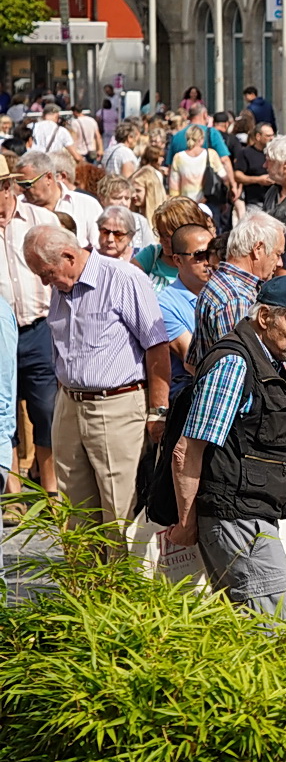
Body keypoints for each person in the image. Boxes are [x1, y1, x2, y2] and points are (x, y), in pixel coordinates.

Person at [167, 277, 286, 617]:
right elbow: (188, 449)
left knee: (256, 624)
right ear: (266, 316)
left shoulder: (272, 360)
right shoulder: (234, 363)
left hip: (253, 515)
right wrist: (186, 521)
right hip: (235, 517)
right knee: (270, 625)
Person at [24, 223, 169, 535]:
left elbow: (157, 346)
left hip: (116, 404)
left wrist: (158, 410)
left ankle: (124, 584)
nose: (44, 281)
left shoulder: (123, 278)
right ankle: (81, 584)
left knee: (120, 511)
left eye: (47, 273)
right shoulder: (61, 288)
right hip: (69, 403)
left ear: (68, 256)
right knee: (74, 512)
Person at [0, 155, 62, 493]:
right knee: (3, 409)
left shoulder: (40, 219)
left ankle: (50, 488)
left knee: (46, 409)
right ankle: (13, 491)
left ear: (7, 188)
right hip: (0, 332)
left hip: (39, 327)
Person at [189, 214, 286, 368]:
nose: (280, 263)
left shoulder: (226, 286)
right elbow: (242, 367)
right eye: (277, 254)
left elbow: (192, 362)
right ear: (258, 249)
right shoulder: (236, 298)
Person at [157, 223, 214, 397]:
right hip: (192, 400)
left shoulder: (225, 294)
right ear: (178, 260)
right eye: (199, 255)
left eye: (212, 253)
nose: (209, 261)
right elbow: (195, 361)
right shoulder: (163, 304)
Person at [18, 149, 103, 247]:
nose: (22, 189)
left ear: (48, 178)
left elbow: (99, 248)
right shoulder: (19, 208)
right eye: (19, 184)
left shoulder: (87, 205)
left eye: (27, 184)